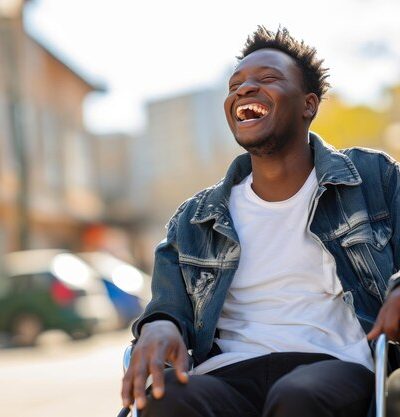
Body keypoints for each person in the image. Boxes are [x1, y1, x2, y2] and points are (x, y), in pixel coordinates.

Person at [121, 26, 400, 417]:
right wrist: (159, 325)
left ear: (308, 105)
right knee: (169, 399)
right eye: (236, 84)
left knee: (297, 396)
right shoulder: (193, 219)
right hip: (228, 374)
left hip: (333, 365)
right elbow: (169, 304)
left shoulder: (373, 177)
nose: (244, 89)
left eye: (267, 79)